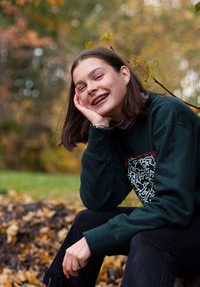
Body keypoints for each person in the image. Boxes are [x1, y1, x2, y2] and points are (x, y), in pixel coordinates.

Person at [43, 46, 200, 287]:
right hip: (177, 223)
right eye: (82, 87)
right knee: (88, 222)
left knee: (147, 240)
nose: (91, 88)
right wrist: (99, 130)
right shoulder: (115, 131)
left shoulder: (168, 115)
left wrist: (95, 241)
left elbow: (174, 205)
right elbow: (98, 201)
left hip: (189, 222)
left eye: (98, 76)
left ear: (124, 75)